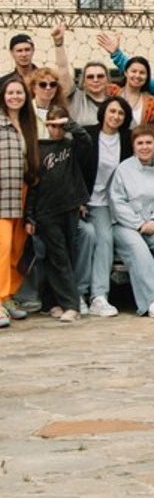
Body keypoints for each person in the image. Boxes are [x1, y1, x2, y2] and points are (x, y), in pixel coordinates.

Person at [108, 124, 154, 318]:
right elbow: (117, 202)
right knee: (138, 248)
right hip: (127, 225)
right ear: (133, 146)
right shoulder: (123, 169)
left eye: (149, 142)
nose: (145, 147)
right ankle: (152, 300)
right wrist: (139, 224)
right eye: (140, 143)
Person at [28, 112, 91, 321]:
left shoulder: (70, 146)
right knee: (57, 256)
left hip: (70, 207)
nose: (56, 130)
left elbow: (86, 140)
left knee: (68, 255)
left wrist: (69, 124)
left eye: (59, 125)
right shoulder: (37, 148)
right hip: (46, 212)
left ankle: (55, 302)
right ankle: (71, 306)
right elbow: (31, 186)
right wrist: (29, 216)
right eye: (52, 125)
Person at [78, 95, 130, 318]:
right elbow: (74, 169)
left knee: (105, 240)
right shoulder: (87, 135)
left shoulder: (127, 140)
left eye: (120, 113)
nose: (116, 116)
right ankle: (78, 293)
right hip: (82, 200)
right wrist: (78, 199)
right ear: (103, 113)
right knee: (87, 236)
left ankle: (99, 296)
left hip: (105, 204)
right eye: (112, 111)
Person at [1, 74, 40, 326]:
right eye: (10, 93)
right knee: (1, 249)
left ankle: (8, 296)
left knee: (17, 249)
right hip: (1, 192)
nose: (15, 97)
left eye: (19, 93)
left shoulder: (29, 124)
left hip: (23, 193)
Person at [118, 56, 154, 127]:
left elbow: (152, 129)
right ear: (125, 73)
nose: (137, 75)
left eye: (142, 73)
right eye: (134, 71)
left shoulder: (151, 103)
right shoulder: (112, 93)